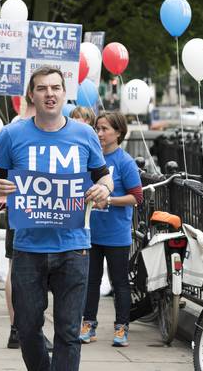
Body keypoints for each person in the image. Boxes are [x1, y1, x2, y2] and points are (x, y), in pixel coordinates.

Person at [0, 67, 113, 371]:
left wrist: (103, 190)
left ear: (64, 93)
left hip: (73, 247)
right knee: (27, 329)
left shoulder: (84, 134)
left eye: (55, 88)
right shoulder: (12, 134)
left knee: (68, 333)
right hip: (29, 248)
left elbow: (104, 177)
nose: (49, 94)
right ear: (32, 94)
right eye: (42, 88)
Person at [80, 112, 143, 347]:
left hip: (116, 235)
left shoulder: (124, 161)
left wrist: (110, 200)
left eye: (105, 129)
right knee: (91, 281)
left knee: (119, 283)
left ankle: (121, 328)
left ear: (118, 132)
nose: (99, 133)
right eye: (97, 128)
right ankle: (88, 325)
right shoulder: (91, 159)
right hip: (91, 232)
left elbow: (137, 197)